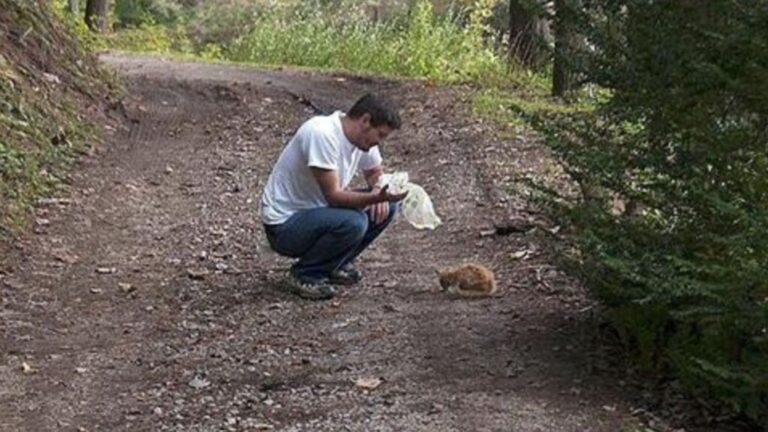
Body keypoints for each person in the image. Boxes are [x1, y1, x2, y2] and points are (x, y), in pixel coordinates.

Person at [260, 93, 407, 300]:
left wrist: (381, 189)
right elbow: (334, 197)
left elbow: (374, 172)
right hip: (285, 226)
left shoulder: (362, 141)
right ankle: (306, 274)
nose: (379, 142)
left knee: (388, 208)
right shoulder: (322, 133)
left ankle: (335, 263)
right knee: (353, 222)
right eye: (380, 135)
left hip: (318, 213)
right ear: (365, 121)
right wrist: (376, 197)